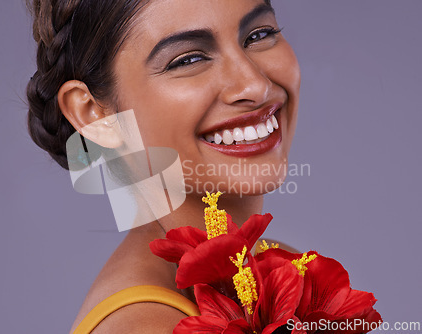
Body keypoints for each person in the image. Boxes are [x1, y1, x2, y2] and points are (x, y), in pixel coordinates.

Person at [26, 0, 300, 332]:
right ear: (92, 115)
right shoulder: (146, 325)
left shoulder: (280, 270)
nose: (255, 86)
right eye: (189, 59)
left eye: (259, 34)